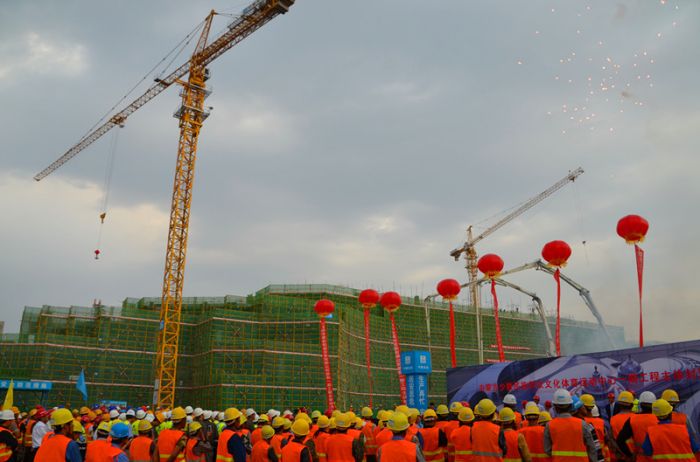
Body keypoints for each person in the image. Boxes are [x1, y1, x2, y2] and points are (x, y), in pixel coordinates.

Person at [543, 389, 598, 462]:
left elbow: (547, 450)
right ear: (570, 406)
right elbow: (591, 448)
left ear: (555, 407)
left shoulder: (549, 425)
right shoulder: (582, 424)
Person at [615, 391, 658, 462]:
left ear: (640, 404)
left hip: (640, 459)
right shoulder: (659, 419)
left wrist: (630, 455)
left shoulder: (632, 420)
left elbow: (620, 440)